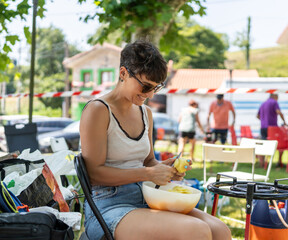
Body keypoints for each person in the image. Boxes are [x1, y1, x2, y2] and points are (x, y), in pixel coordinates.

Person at [80, 40, 231, 240]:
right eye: (145, 86)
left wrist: (165, 170)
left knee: (220, 230)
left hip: (148, 196)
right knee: (196, 231)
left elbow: (149, 160)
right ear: (123, 73)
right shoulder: (98, 110)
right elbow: (93, 174)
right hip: (108, 205)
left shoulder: (146, 113)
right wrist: (149, 173)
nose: (150, 94)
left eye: (156, 88)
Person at [257, 93, 287, 167]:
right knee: (280, 144)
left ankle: (262, 163)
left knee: (263, 144)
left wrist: (264, 120)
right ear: (274, 97)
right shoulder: (274, 102)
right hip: (272, 128)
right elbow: (278, 112)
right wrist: (284, 121)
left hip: (263, 127)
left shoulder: (263, 103)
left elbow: (258, 116)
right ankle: (279, 161)